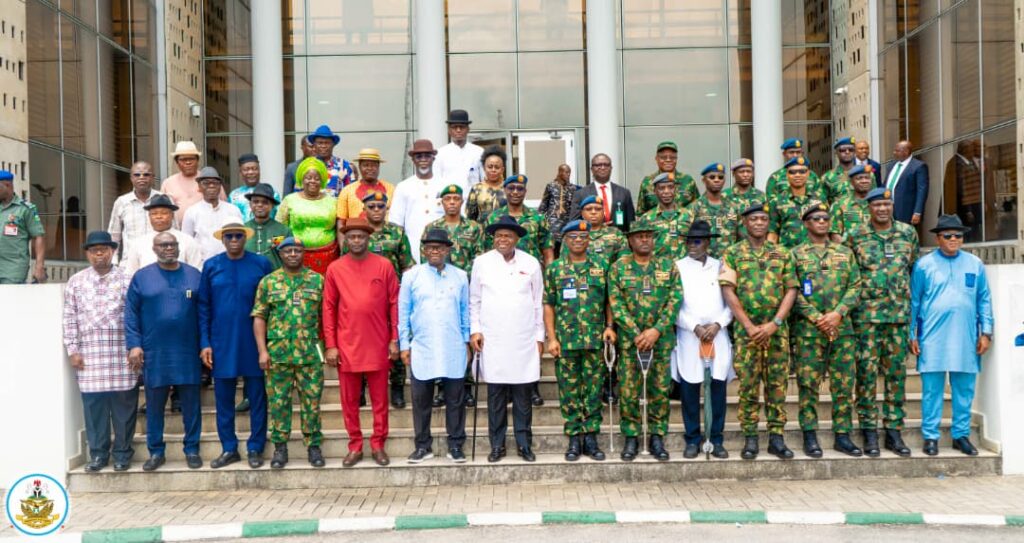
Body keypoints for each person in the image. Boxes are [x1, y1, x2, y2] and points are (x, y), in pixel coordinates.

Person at [719, 203, 799, 460]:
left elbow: (791, 289)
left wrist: (775, 323)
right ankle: (750, 438)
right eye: (754, 219)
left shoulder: (783, 253)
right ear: (745, 223)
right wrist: (749, 326)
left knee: (777, 386)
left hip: (776, 332)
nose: (759, 223)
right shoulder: (733, 253)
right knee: (748, 386)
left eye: (763, 219)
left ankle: (776, 437)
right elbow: (728, 290)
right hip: (748, 334)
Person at [910, 214, 993, 456]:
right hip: (932, 336)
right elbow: (914, 301)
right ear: (938, 238)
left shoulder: (974, 264)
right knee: (932, 390)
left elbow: (984, 299)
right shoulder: (924, 265)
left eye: (958, 235)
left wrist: (986, 332)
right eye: (948, 236)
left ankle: (961, 435)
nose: (954, 239)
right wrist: (912, 334)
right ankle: (930, 436)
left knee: (964, 389)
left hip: (965, 336)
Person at [846, 187, 918, 457]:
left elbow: (911, 265)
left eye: (886, 204)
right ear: (869, 208)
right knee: (865, 375)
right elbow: (850, 273)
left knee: (896, 375)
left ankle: (894, 431)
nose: (882, 209)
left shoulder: (907, 233)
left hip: (898, 317)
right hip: (867, 318)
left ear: (892, 206)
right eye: (877, 205)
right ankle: (868, 431)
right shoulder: (856, 235)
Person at [323, 217, 400, 468]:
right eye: (352, 236)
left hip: (378, 343)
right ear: (345, 239)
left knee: (380, 400)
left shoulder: (384, 265)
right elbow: (329, 308)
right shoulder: (335, 268)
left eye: (361, 236)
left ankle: (378, 444)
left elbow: (394, 303)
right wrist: (331, 345)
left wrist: (395, 338)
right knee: (349, 401)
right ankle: (355, 445)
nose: (356, 240)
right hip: (347, 344)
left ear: (369, 238)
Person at [125, 231, 203, 471]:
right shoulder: (142, 277)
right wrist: (134, 344)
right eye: (163, 245)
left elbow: (204, 313)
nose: (168, 248)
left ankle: (192, 449)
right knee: (154, 406)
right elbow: (131, 314)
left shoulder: (194, 275)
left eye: (172, 244)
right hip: (155, 352)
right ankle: (156, 452)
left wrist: (206, 344)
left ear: (178, 247)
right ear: (154, 249)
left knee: (191, 404)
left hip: (188, 351)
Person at [790, 203, 863, 458]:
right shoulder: (795, 254)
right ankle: (810, 435)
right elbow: (791, 290)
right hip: (809, 331)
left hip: (842, 329)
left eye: (825, 218)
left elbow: (855, 285)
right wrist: (816, 317)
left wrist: (837, 313)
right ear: (806, 223)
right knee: (808, 384)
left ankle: (842, 435)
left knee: (843, 384)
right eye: (816, 218)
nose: (822, 222)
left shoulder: (845, 252)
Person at [198, 220, 273, 469]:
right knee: (223, 399)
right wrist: (205, 342)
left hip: (254, 342)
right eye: (228, 236)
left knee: (257, 397)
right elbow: (203, 306)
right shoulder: (212, 266)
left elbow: (270, 304)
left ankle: (255, 447)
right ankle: (229, 447)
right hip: (222, 342)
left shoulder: (261, 264)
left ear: (245, 238)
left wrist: (268, 344)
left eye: (238, 236)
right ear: (222, 239)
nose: (233, 240)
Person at [471, 216, 545, 463]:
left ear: (516, 239)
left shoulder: (531, 263)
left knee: (523, 396)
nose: (502, 240)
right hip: (493, 339)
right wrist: (475, 330)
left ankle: (524, 444)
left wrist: (539, 336)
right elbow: (474, 301)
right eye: (499, 235)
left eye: (508, 236)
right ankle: (497, 445)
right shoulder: (481, 262)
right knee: (496, 396)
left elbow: (537, 302)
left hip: (523, 339)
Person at [62, 231, 137, 472]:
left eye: (104, 250)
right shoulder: (76, 281)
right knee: (94, 411)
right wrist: (72, 349)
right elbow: (69, 317)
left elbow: (136, 316)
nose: (99, 254)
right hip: (90, 357)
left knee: (124, 409)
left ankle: (123, 454)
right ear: (87, 254)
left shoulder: (127, 279)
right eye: (94, 251)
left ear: (113, 251)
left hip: (121, 355)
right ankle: (98, 455)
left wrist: (136, 347)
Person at [608, 217, 682, 462]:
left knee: (659, 391)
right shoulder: (619, 268)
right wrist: (637, 334)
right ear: (630, 240)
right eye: (639, 236)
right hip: (631, 343)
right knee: (629, 391)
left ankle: (657, 437)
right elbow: (616, 305)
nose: (644, 240)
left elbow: (675, 300)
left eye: (648, 236)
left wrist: (656, 331)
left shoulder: (668, 266)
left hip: (660, 341)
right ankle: (631, 437)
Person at [251, 236, 326, 469]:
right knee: (279, 402)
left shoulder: (317, 280)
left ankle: (313, 446)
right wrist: (262, 351)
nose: (293, 254)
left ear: (304, 253)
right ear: (280, 254)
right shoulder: (268, 282)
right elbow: (259, 317)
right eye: (288, 251)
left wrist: (327, 347)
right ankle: (280, 448)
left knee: (312, 402)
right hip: (278, 354)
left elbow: (327, 317)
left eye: (297, 250)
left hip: (310, 353)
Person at [398, 229, 471, 464]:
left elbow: (465, 311)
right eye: (430, 247)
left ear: (447, 250)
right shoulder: (412, 276)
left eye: (439, 247)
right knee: (421, 400)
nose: (434, 251)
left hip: (453, 346)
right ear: (424, 250)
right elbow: (403, 313)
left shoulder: (460, 276)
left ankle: (456, 445)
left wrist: (467, 341)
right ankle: (422, 446)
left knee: (455, 400)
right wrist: (404, 345)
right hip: (423, 346)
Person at [544, 219, 612, 462]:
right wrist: (552, 338)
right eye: (573, 237)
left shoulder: (602, 265)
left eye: (583, 237)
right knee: (569, 390)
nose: (578, 241)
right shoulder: (555, 269)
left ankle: (591, 437)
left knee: (593, 390)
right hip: (566, 340)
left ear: (588, 239)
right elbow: (549, 305)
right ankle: (574, 437)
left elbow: (609, 300)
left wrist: (609, 326)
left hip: (594, 339)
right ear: (565, 240)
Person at [671, 220, 731, 459]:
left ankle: (716, 439)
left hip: (718, 334)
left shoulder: (721, 266)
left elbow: (732, 301)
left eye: (696, 241)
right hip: (689, 335)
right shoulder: (677, 267)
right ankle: (693, 439)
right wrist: (694, 326)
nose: (691, 246)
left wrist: (718, 324)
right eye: (688, 242)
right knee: (689, 389)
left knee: (717, 389)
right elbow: (673, 304)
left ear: (707, 242)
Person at [348, 191, 414, 408]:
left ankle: (397, 387)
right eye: (372, 206)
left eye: (380, 206)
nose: (376, 210)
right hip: (363, 298)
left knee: (396, 337)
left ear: (387, 208)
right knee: (363, 342)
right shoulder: (357, 233)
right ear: (364, 209)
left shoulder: (397, 232)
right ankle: (361, 387)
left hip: (392, 297)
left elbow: (407, 266)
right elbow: (346, 264)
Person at [424, 184, 484, 409]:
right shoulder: (432, 228)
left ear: (462, 201)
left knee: (465, 335)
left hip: (466, 288)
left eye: (456, 198)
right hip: (438, 290)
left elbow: (479, 259)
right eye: (447, 198)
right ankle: (441, 386)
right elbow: (426, 259)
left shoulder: (474, 228)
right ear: (441, 202)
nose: (451, 202)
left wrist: (465, 279)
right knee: (440, 335)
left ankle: (466, 386)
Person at [276, 157, 338, 274]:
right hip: (295, 257)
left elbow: (338, 228)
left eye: (317, 178)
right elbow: (279, 228)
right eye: (308, 178)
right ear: (301, 179)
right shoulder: (289, 200)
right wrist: (280, 253)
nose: (312, 181)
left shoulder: (333, 201)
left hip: (328, 257)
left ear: (322, 181)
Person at [388, 139, 447, 262]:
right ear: (413, 160)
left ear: (433, 159)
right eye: (419, 156)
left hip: (442, 247)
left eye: (427, 156)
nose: (423, 160)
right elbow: (396, 223)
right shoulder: (403, 186)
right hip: (413, 247)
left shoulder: (444, 185)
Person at [483, 174, 554, 268]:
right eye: (511, 188)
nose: (515, 192)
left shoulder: (538, 218)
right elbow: (487, 250)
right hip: (500, 270)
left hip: (530, 271)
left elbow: (547, 252)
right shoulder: (493, 218)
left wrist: (548, 274)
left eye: (520, 189)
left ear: (525, 191)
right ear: (505, 190)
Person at [122, 195, 204, 275]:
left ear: (172, 216)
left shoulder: (187, 240)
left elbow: (196, 270)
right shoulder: (139, 243)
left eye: (164, 213)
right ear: (149, 216)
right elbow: (131, 273)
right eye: (154, 213)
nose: (159, 217)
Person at [182, 166, 244, 261]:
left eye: (215, 183)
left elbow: (241, 237)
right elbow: (186, 241)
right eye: (206, 183)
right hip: (202, 264)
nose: (211, 186)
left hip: (230, 262)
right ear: (199, 187)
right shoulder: (192, 212)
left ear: (220, 186)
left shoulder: (233, 210)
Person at [768, 157, 831, 249]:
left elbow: (827, 228)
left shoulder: (820, 199)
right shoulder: (777, 202)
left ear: (808, 174)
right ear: (787, 175)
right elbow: (773, 233)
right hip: (788, 253)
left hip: (814, 253)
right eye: (792, 172)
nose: (797, 175)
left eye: (802, 171)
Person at [108, 161, 163, 262]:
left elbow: (174, 231)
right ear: (131, 178)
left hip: (159, 261)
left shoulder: (164, 199)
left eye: (146, 174)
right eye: (137, 175)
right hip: (131, 262)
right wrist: (113, 261)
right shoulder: (122, 202)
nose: (141, 178)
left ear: (153, 177)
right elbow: (114, 235)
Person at [569, 154, 636, 234]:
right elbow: (574, 223)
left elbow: (631, 223)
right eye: (598, 165)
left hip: (618, 238)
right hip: (591, 239)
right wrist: (595, 227)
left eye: (606, 165)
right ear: (592, 169)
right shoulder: (580, 194)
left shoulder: (624, 193)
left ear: (611, 168)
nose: (603, 167)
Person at [161, 141, 224, 224]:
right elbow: (162, 209)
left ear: (198, 160)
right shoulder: (168, 183)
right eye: (183, 159)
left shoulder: (210, 181)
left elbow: (223, 205)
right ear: (177, 162)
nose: (188, 162)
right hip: (177, 230)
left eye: (191, 159)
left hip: (206, 228)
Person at [0, 169, 45, 284]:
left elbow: (38, 236)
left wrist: (39, 266)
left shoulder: (26, 209)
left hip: (12, 269)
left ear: (7, 185)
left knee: (9, 295)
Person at [686, 163, 740, 258]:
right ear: (704, 180)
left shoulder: (734, 207)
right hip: (703, 261)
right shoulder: (694, 208)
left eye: (720, 177)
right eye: (712, 177)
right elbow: (686, 238)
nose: (716, 180)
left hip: (728, 261)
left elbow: (741, 237)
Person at [562, 195, 628, 269]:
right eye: (588, 209)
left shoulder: (616, 233)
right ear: (582, 213)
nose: (593, 212)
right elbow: (563, 262)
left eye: (598, 209)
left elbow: (625, 260)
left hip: (610, 275)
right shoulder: (572, 235)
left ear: (603, 212)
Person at [635, 141, 700, 216]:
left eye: (672, 157)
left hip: (684, 222)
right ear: (656, 159)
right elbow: (640, 214)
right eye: (663, 157)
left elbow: (698, 209)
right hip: (655, 223)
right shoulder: (647, 182)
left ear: (676, 159)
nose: (668, 160)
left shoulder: (688, 181)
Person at [639, 172, 690, 261]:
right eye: (661, 188)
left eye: (670, 187)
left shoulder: (689, 215)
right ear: (655, 191)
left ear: (675, 189)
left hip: (684, 266)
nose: (666, 191)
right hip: (658, 267)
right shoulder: (646, 219)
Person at [336, 148, 395, 224]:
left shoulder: (391, 189)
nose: (370, 168)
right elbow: (341, 221)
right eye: (365, 165)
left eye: (373, 165)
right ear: (360, 167)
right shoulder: (347, 191)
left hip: (383, 231)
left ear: (378, 167)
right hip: (355, 231)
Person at [244, 183, 293, 270]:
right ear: (250, 204)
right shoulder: (243, 230)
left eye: (265, 202)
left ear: (272, 205)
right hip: (249, 276)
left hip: (275, 277)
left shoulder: (284, 231)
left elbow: (291, 259)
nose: (260, 205)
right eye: (256, 201)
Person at [434, 109, 484, 194]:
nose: (458, 130)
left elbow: (484, 179)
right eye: (454, 127)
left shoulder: (479, 152)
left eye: (462, 127)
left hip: (473, 199)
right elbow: (436, 182)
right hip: (450, 199)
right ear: (449, 130)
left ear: (468, 129)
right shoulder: (440, 153)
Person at [884, 140, 930, 226]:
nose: (894, 153)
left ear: (906, 152)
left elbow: (922, 191)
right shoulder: (891, 165)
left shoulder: (918, 166)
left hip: (906, 211)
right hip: (887, 208)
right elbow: (885, 185)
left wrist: (917, 212)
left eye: (897, 151)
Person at [538, 164, 578, 254]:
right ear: (560, 172)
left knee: (565, 247)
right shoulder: (551, 186)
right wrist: (540, 219)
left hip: (566, 222)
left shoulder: (572, 188)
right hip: (552, 222)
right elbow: (544, 203)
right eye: (565, 172)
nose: (568, 174)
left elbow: (574, 206)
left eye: (569, 172)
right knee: (551, 247)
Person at [307, 124, 357, 196]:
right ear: (314, 145)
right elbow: (298, 194)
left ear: (333, 145)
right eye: (320, 143)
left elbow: (352, 194)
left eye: (327, 143)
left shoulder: (344, 166)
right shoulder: (306, 166)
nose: (323, 146)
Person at [229, 154, 279, 222]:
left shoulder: (272, 192)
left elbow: (279, 217)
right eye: (246, 169)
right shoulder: (233, 196)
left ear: (259, 170)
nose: (250, 172)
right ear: (240, 173)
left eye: (254, 169)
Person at [833, 163, 875, 242]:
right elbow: (835, 234)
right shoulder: (839, 204)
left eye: (867, 178)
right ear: (851, 182)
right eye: (859, 178)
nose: (864, 181)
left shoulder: (878, 204)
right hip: (849, 248)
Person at [465, 145, 507, 222]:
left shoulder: (508, 188)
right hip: (482, 229)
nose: (493, 170)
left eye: (497, 167)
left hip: (505, 228)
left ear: (502, 169)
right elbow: (470, 217)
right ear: (484, 168)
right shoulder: (477, 189)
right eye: (490, 167)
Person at [820, 137, 858, 204]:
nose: (847, 152)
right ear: (836, 152)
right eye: (843, 150)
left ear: (855, 152)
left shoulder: (866, 175)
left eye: (851, 149)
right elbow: (823, 203)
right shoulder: (827, 178)